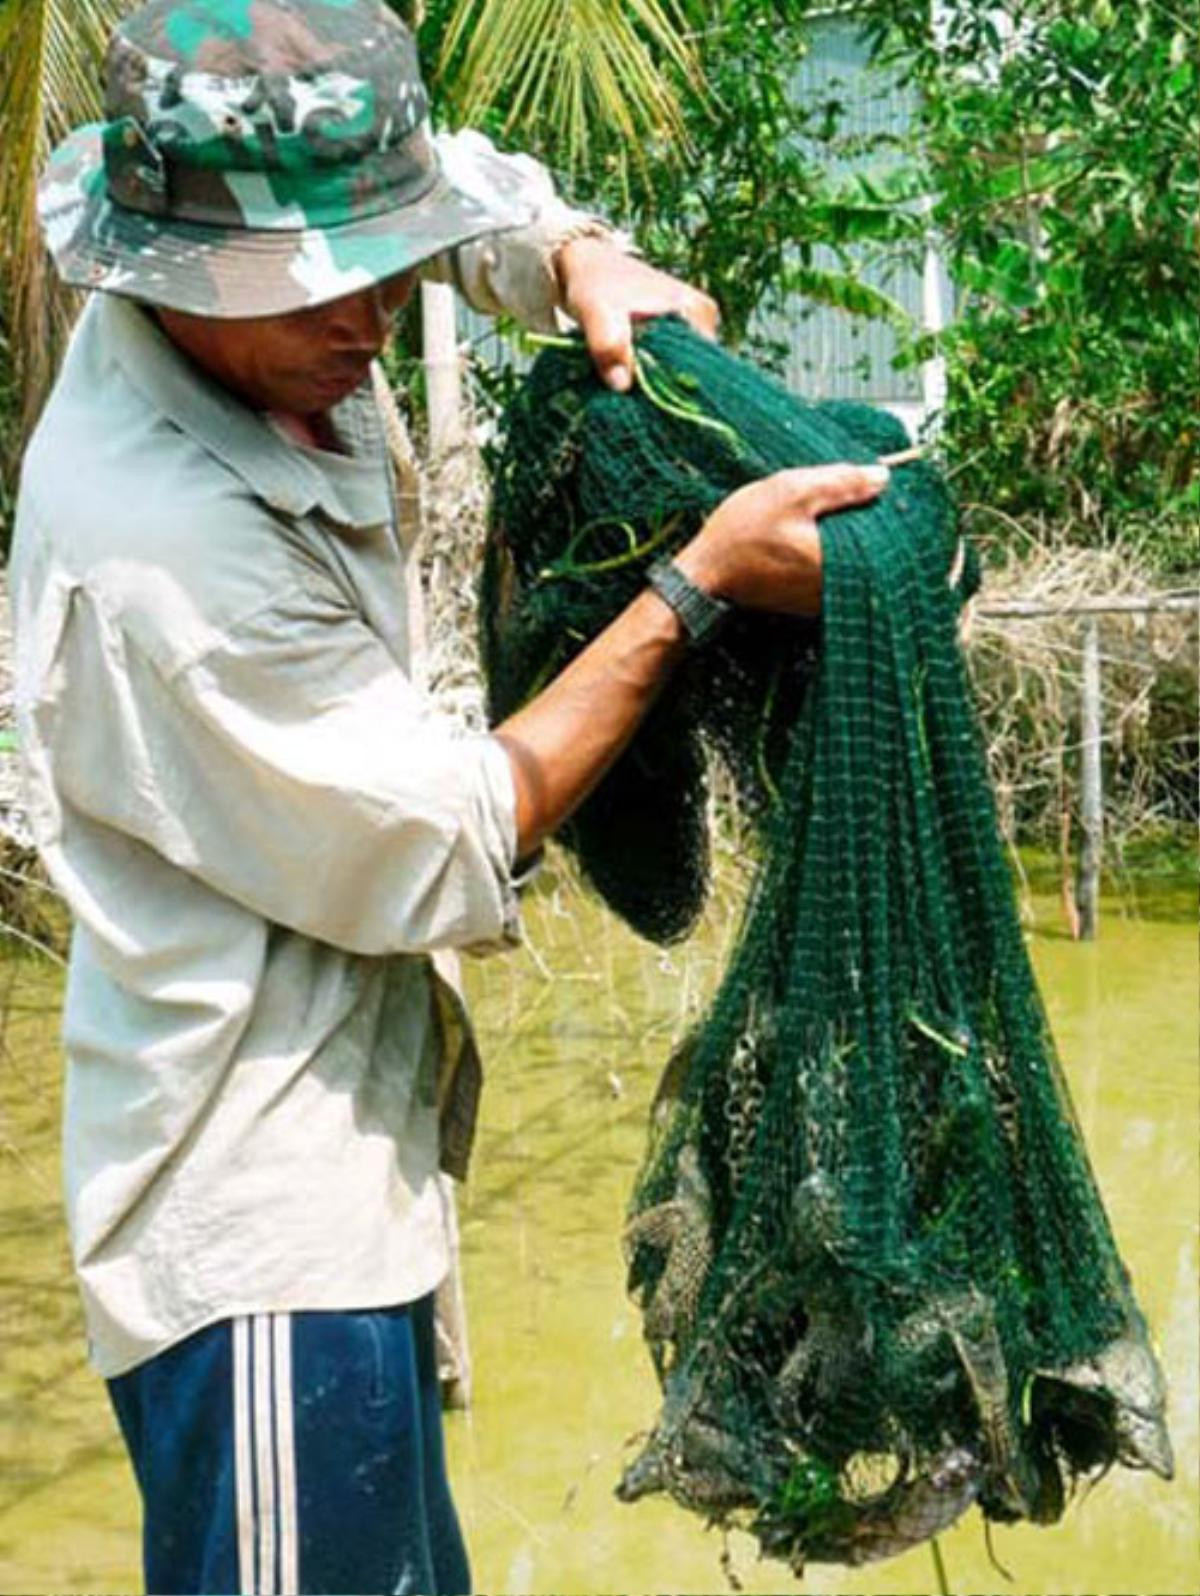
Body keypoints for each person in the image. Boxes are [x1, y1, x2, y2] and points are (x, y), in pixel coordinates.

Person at [10, 1, 889, 1591]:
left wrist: (577, 256)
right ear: (171, 272)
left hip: (361, 1185)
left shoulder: (252, 284)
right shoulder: (163, 555)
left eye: (385, 255)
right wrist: (696, 586)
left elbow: (468, 185)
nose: (369, 309)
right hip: (259, 1249)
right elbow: (456, 829)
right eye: (314, 283)